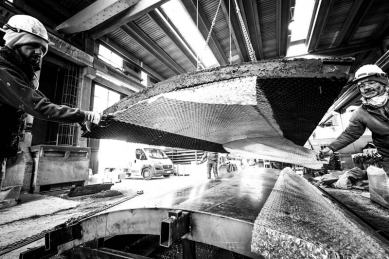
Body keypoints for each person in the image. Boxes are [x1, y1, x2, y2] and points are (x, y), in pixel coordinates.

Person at [0, 15, 100, 191]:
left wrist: (78, 117)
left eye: (42, 49)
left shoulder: (18, 72)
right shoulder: (3, 70)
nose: (39, 52)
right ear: (14, 42)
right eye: (32, 45)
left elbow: (39, 100)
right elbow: (39, 106)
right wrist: (84, 115)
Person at [320, 64, 389, 176]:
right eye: (362, 85)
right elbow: (350, 134)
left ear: (383, 82)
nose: (366, 88)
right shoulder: (361, 113)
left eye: (371, 83)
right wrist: (331, 148)